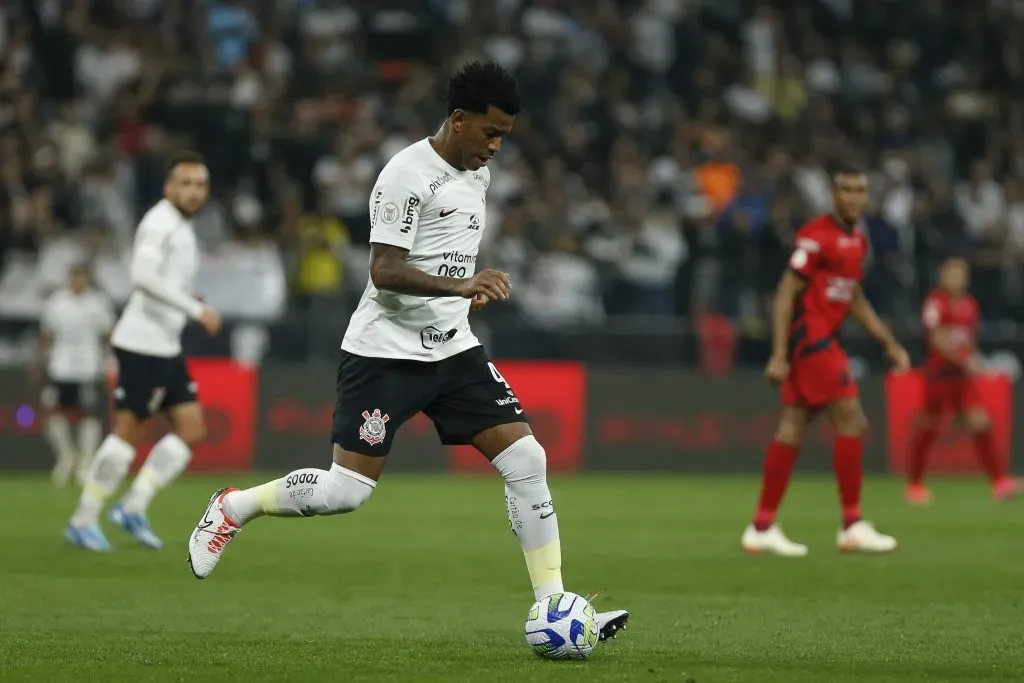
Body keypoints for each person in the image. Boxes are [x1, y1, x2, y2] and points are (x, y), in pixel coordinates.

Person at [186, 62, 629, 642]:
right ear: (458, 119)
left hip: (453, 351)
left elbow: (446, 249)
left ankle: (552, 606)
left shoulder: (478, 174)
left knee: (527, 460)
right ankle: (234, 507)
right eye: (489, 133)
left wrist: (458, 298)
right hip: (384, 355)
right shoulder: (405, 175)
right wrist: (460, 285)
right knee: (346, 493)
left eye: (504, 137)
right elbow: (385, 268)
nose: (495, 148)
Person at [741, 164, 910, 557]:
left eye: (860, 190)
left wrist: (888, 342)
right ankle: (852, 524)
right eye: (846, 189)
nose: (853, 197)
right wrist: (779, 354)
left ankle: (761, 525)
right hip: (811, 341)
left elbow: (853, 299)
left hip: (823, 340)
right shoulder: (814, 238)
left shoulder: (857, 241)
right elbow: (785, 294)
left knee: (792, 429)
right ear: (833, 195)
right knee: (852, 419)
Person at [65, 151, 222, 552]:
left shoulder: (183, 228)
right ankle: (83, 518)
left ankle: (132, 507)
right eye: (184, 183)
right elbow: (142, 276)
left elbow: (163, 282)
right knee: (128, 432)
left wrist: (185, 301)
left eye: (199, 184)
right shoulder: (160, 223)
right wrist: (194, 308)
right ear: (168, 187)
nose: (192, 191)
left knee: (192, 430)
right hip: (141, 344)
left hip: (165, 346)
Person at [906, 257, 1024, 505]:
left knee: (981, 423)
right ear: (943, 277)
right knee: (928, 427)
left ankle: (999, 482)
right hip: (939, 376)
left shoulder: (970, 306)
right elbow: (936, 338)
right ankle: (914, 484)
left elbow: (970, 341)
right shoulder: (935, 303)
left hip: (962, 378)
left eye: (960, 274)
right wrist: (963, 359)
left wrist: (971, 359)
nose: (956, 279)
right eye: (952, 274)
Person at [34, 263, 114, 487]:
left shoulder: (98, 302)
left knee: (88, 414)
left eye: (81, 277)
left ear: (87, 278)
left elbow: (106, 334)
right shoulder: (57, 302)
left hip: (88, 365)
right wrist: (39, 361)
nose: (76, 281)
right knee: (52, 412)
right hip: (60, 365)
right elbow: (46, 333)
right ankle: (66, 456)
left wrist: (110, 362)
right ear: (68, 278)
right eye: (73, 277)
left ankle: (85, 463)